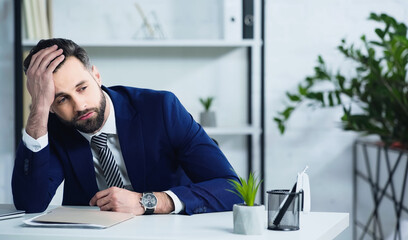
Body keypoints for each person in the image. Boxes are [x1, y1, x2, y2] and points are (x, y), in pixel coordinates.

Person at [12, 38, 241, 215]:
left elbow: (232, 189)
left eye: (82, 88)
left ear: (97, 76)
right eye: (61, 99)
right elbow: (30, 203)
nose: (79, 105)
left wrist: (148, 201)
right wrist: (38, 111)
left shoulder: (161, 109)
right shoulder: (50, 128)